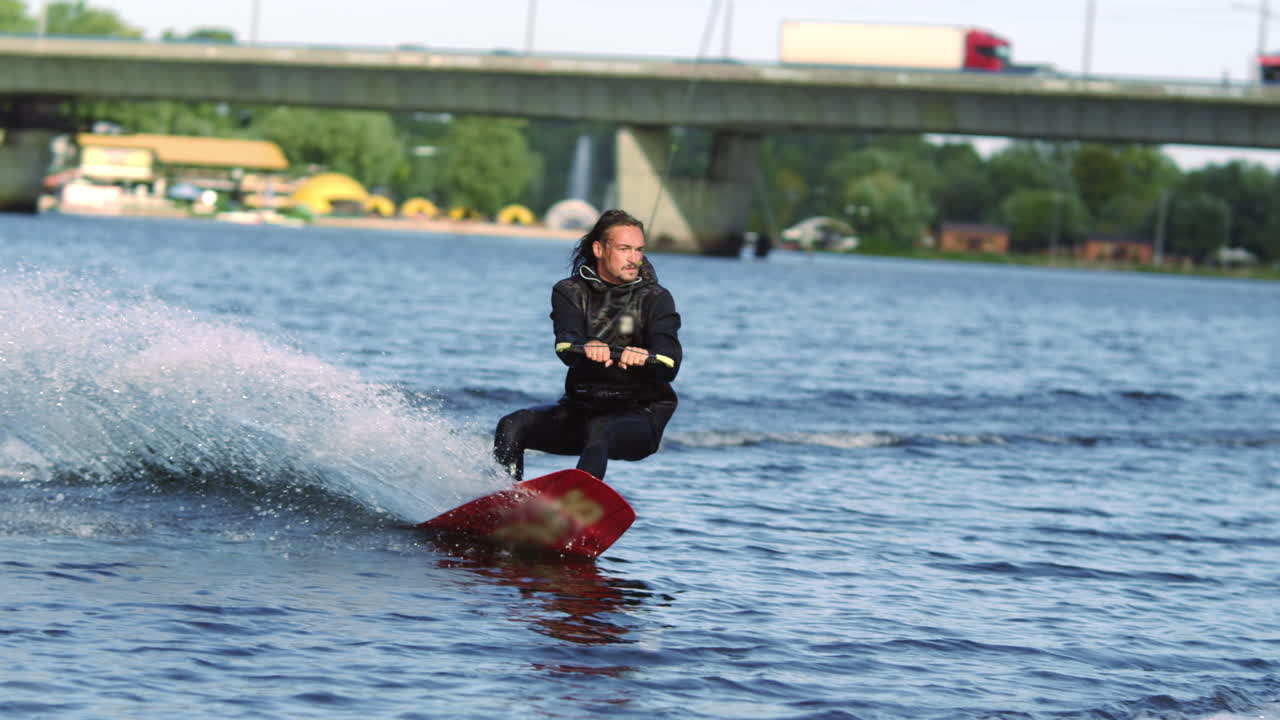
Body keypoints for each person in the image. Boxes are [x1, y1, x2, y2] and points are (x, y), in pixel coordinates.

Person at [493, 209, 682, 482]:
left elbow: (670, 360)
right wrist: (586, 345)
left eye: (639, 250)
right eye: (624, 249)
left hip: (640, 417)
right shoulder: (569, 292)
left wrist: (647, 355)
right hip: (581, 409)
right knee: (512, 425)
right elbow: (566, 345)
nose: (634, 258)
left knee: (601, 429)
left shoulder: (656, 298)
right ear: (599, 249)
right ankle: (501, 502)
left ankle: (577, 505)